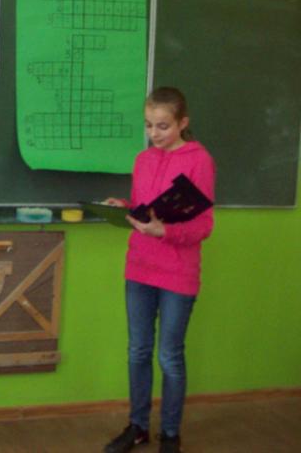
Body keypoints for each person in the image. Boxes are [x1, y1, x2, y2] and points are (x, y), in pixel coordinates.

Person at [103, 87, 215, 453]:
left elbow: (204, 225)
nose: (154, 133)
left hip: (178, 273)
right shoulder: (143, 160)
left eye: (163, 126)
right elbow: (144, 208)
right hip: (139, 267)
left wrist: (165, 232)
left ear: (183, 123)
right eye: (149, 125)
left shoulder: (199, 161)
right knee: (138, 350)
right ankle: (137, 427)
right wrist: (124, 207)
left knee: (169, 356)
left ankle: (169, 433)